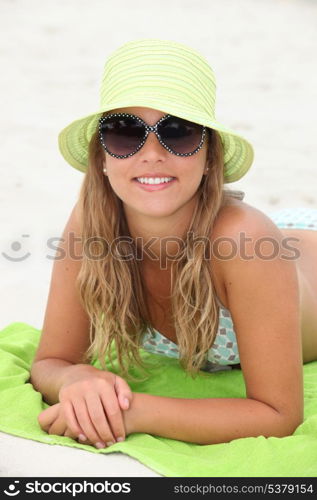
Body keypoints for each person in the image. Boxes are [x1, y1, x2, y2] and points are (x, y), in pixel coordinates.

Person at [30, 39, 317, 450]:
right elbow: (50, 361)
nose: (152, 154)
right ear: (101, 158)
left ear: (211, 158)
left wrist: (131, 411)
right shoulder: (93, 223)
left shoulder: (244, 243)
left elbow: (279, 414)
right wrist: (77, 378)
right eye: (125, 132)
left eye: (178, 133)